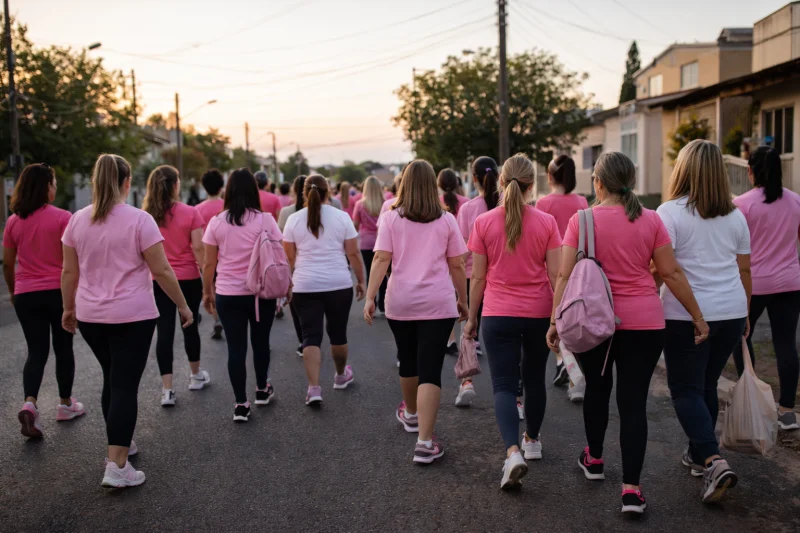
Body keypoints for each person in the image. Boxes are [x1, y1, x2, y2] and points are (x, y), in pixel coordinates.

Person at [546, 152, 708, 515]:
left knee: (597, 391)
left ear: (598, 183)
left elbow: (564, 275)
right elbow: (671, 273)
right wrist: (697, 315)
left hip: (593, 321)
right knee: (633, 402)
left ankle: (595, 459)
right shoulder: (650, 219)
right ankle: (632, 491)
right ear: (631, 181)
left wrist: (556, 320)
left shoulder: (581, 220)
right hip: (645, 324)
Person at [61, 154, 193, 488]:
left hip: (91, 315)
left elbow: (68, 271)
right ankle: (117, 465)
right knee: (123, 385)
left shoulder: (77, 219)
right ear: (127, 182)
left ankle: (121, 443)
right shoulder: (139, 220)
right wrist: (183, 305)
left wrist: (67, 308)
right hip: (132, 315)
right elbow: (161, 270)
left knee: (112, 378)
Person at [657, 140, 750, 502]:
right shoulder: (736, 215)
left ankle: (713, 461)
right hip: (731, 309)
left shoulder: (669, 212)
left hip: (686, 314)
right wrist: (744, 312)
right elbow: (744, 268)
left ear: (683, 169)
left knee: (685, 389)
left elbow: (664, 268)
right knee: (707, 383)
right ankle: (699, 456)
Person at [463, 154, 561, 489]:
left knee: (504, 385)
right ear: (532, 185)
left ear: (502, 183)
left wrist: (471, 319)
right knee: (534, 379)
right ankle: (532, 440)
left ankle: (512, 452)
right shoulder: (547, 223)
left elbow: (477, 278)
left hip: (497, 313)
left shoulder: (484, 222)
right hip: (538, 312)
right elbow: (556, 274)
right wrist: (555, 317)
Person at [364, 160, 468, 465]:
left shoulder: (391, 218)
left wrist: (371, 297)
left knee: (408, 359)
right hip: (438, 303)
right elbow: (458, 265)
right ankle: (425, 442)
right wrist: (463, 299)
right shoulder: (447, 220)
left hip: (400, 301)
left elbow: (381, 258)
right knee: (430, 369)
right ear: (431, 186)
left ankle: (410, 414)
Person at [3, 163, 82, 439]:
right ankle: (65, 404)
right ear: (47, 187)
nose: (56, 188)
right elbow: (73, 262)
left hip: (26, 294)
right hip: (57, 293)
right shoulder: (63, 218)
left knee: (36, 351)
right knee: (63, 348)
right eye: (54, 183)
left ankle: (30, 403)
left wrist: (14, 292)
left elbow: (8, 264)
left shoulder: (13, 221)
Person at [202, 168, 280, 423]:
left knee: (235, 348)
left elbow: (209, 264)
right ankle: (261, 389)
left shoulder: (216, 222)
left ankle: (240, 404)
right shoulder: (265, 219)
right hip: (261, 292)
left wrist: (207, 292)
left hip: (227, 292)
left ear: (229, 191)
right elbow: (278, 254)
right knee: (261, 342)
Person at [732, 146, 800, 431]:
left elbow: (733, 248)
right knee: (785, 343)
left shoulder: (742, 205)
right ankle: (787, 411)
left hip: (752, 285)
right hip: (789, 282)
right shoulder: (796, 201)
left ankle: (753, 399)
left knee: (741, 338)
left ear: (751, 172)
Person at [283, 175, 365, 405]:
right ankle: (340, 376)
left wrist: (287, 283)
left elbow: (288, 257)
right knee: (338, 333)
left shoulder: (294, 220)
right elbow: (353, 254)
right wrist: (361, 281)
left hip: (304, 285)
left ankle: (314, 388)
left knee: (311, 336)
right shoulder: (342, 217)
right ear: (328, 192)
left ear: (303, 194)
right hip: (338, 283)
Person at [142, 165, 210, 407]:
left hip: (159, 280)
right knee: (190, 326)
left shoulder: (146, 215)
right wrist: (207, 279)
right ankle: (195, 376)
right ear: (174, 185)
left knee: (165, 332)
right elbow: (199, 248)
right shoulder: (190, 213)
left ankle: (167, 390)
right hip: (188, 278)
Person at [535, 155, 589, 397]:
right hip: (578, 268)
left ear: (550, 176)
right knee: (575, 319)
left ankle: (564, 362)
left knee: (556, 322)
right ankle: (571, 375)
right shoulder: (582, 201)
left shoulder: (543, 203)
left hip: (553, 270)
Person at [454, 156, 499, 407]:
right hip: (502, 279)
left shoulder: (469, 209)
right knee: (505, 340)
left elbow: (461, 253)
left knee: (469, 330)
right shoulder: (507, 205)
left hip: (473, 277)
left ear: (473, 178)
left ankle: (467, 382)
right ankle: (514, 396)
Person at [439, 168, 471, 357]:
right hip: (466, 258)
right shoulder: (467, 203)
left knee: (449, 299)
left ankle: (450, 339)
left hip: (444, 259)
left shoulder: (436, 204)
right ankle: (469, 339)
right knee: (466, 300)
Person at [279, 175, 308, 356]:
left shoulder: (286, 213)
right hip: (317, 264)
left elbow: (281, 241)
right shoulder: (329, 209)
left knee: (296, 307)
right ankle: (313, 337)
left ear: (295, 191)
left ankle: (302, 341)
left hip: (294, 265)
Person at [196, 168, 226, 340]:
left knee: (213, 288)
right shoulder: (227, 206)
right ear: (221, 186)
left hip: (208, 256)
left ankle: (217, 319)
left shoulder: (197, 209)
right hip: (228, 255)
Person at [353, 176, 388, 316]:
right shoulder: (385, 203)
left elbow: (355, 225)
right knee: (384, 273)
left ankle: (371, 302)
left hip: (366, 242)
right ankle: (382, 305)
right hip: (382, 241)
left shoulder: (360, 204)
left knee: (370, 272)